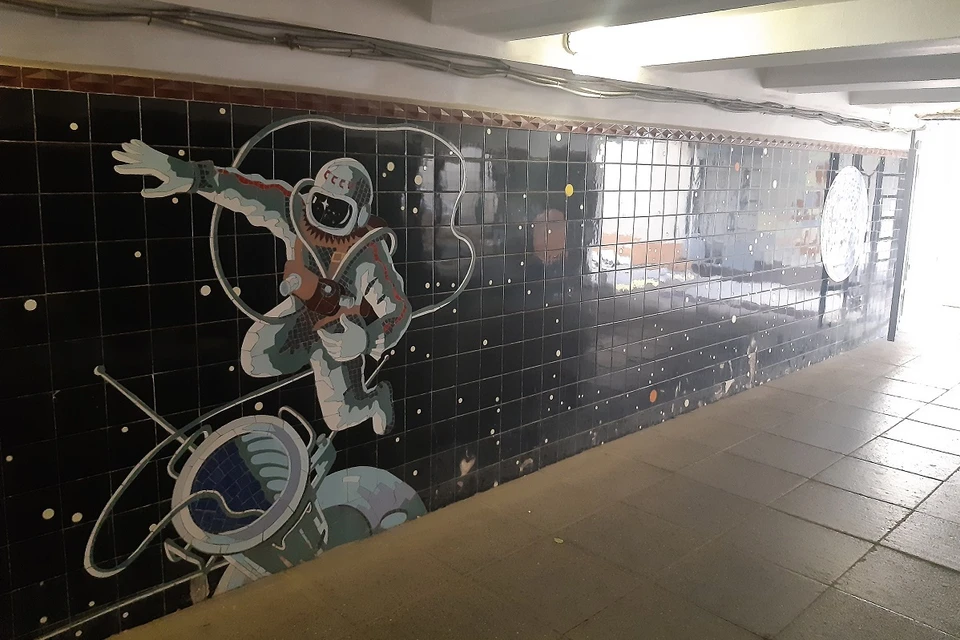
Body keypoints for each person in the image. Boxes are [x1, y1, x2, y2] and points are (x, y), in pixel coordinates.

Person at [113, 140, 410, 435]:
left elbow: (398, 309)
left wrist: (365, 340)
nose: (324, 216)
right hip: (302, 313)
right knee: (256, 357)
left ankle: (374, 399)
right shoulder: (296, 213)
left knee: (340, 418)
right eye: (319, 203)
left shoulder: (369, 252)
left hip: (342, 331)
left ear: (359, 215)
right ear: (311, 196)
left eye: (337, 210)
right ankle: (315, 357)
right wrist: (191, 174)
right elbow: (247, 190)